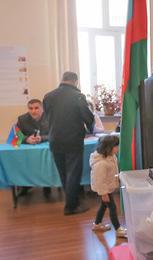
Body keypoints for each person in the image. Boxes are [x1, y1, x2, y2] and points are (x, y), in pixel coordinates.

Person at [43, 71, 95, 215]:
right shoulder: (78, 96)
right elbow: (88, 117)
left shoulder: (48, 96)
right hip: (72, 139)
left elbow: (47, 118)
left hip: (54, 139)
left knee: (64, 173)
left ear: (62, 79)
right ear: (75, 81)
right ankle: (71, 207)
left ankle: (72, 201)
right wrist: (90, 129)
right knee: (73, 172)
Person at [90, 135, 127, 238]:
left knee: (103, 206)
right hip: (104, 189)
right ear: (109, 147)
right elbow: (99, 180)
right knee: (112, 208)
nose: (118, 148)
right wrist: (103, 193)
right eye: (116, 146)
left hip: (108, 187)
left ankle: (97, 224)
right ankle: (118, 229)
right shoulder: (101, 164)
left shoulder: (111, 156)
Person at [16, 99, 51, 197]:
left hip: (46, 150)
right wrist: (26, 139)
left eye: (36, 108)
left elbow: (56, 134)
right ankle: (25, 186)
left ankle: (47, 185)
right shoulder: (22, 119)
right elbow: (15, 137)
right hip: (28, 151)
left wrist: (42, 138)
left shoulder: (50, 117)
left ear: (42, 109)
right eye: (30, 108)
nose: (33, 111)